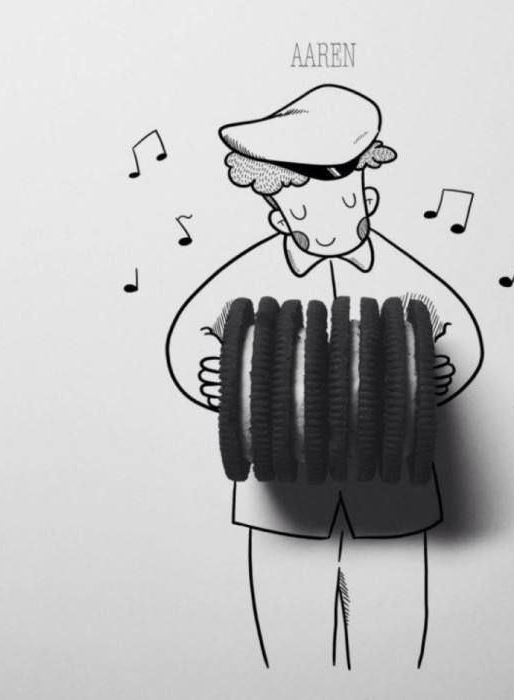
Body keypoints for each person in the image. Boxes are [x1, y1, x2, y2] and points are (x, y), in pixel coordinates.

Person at [166, 84, 483, 669]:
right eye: (303, 209)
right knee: (287, 651)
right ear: (277, 212)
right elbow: (189, 339)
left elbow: (458, 336)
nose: (327, 225)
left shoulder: (408, 275)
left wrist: (434, 377)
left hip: (392, 495)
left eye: (344, 203)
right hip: (282, 498)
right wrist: (216, 382)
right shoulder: (247, 275)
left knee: (395, 646)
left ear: (369, 198)